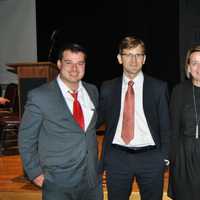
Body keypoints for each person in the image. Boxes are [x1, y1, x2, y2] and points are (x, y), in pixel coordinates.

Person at [18, 43, 100, 200]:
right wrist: (34, 173)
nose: (74, 68)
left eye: (80, 63)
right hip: (58, 183)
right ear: (59, 64)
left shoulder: (92, 91)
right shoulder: (40, 96)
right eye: (69, 62)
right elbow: (26, 138)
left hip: (91, 180)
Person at [97, 35, 171, 200]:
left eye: (138, 55)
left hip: (151, 159)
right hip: (117, 158)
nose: (133, 59)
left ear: (144, 59)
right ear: (119, 58)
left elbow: (166, 126)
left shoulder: (159, 87)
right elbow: (96, 120)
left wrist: (164, 158)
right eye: (128, 54)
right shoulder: (108, 88)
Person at [168, 45, 200, 200]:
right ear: (188, 67)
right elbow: (173, 128)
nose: (199, 68)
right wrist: (172, 159)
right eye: (194, 63)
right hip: (185, 158)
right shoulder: (179, 91)